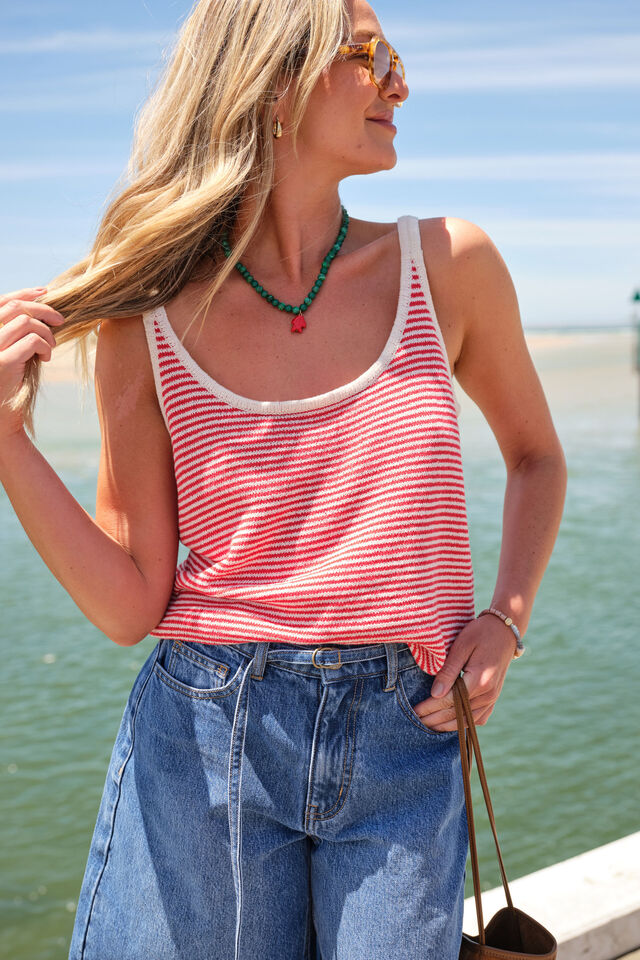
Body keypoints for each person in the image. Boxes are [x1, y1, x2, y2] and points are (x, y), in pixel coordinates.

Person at [0, 0, 567, 957]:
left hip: (407, 730)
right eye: (368, 55)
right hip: (200, 745)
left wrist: (504, 616)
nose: (401, 80)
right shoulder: (151, 315)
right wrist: (7, 443)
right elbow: (131, 602)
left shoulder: (451, 265)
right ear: (273, 85)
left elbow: (537, 457)